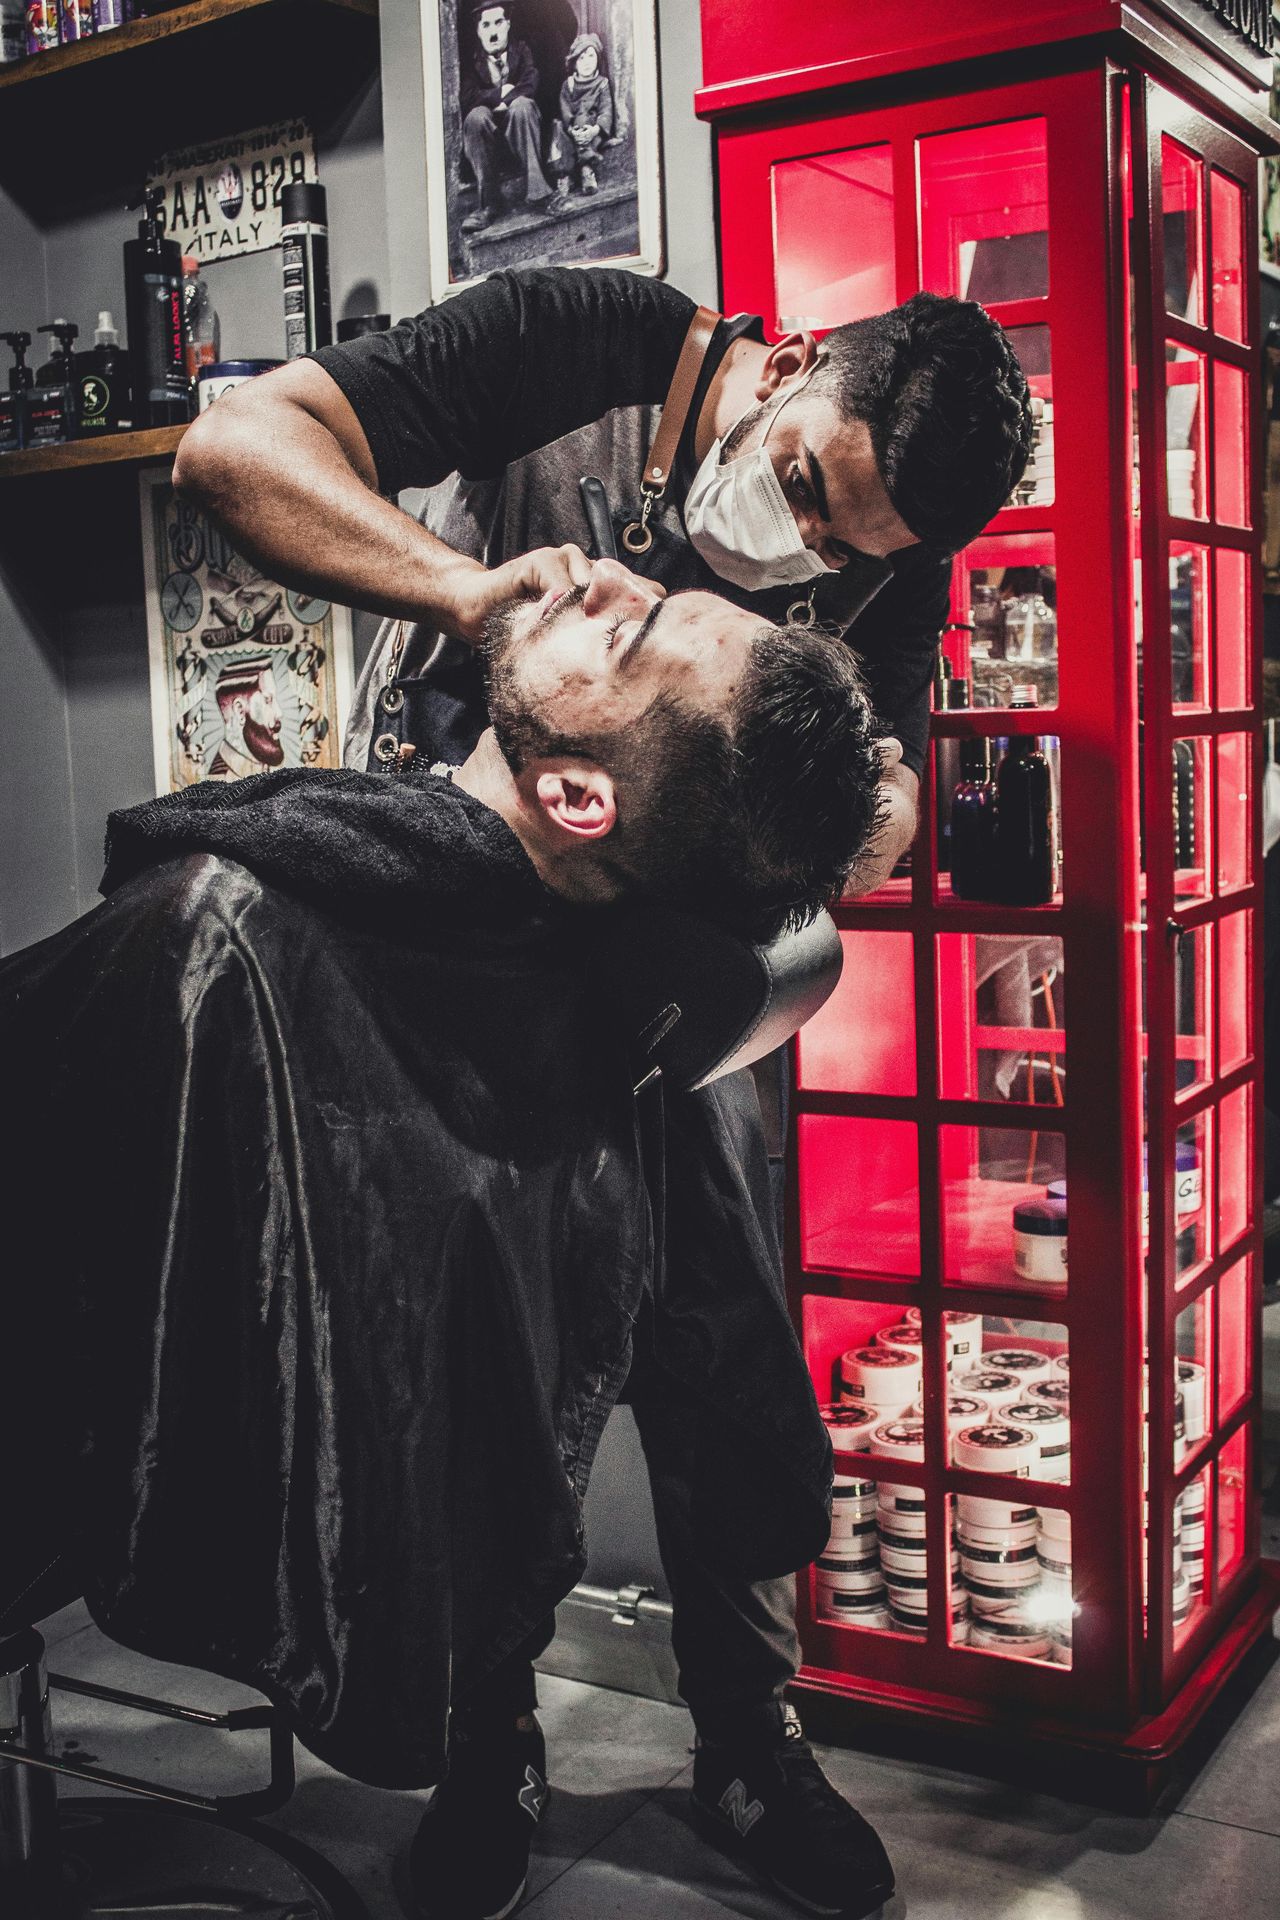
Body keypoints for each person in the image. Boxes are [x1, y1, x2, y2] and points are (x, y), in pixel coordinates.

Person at [174, 266, 1030, 1920]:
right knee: (481, 1355)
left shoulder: (893, 552)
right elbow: (232, 452)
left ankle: (752, 1739)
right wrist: (474, 598)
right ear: (790, 368)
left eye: (850, 547)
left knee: (721, 1349)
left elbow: (892, 809)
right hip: (464, 956)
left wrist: (807, 795)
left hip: (670, 989)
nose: (812, 551)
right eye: (803, 487)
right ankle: (488, 1735)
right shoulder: (584, 343)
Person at [0, 562, 884, 1818]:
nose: (599, 577)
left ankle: (718, 1736)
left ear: (577, 797)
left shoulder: (225, 923)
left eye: (628, 630)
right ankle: (494, 1735)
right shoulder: (271, 934)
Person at [460, 4, 556, 233]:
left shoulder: (521, 50)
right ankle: (488, 205)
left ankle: (540, 193)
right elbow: (468, 96)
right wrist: (499, 94)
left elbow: (530, 82)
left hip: (522, 132)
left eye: (498, 23)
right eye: (486, 25)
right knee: (475, 117)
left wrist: (508, 100)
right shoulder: (471, 60)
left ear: (508, 25)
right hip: (487, 140)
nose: (493, 32)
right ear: (478, 31)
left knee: (523, 105)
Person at [552, 31, 616, 199]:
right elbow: (565, 109)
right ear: (574, 63)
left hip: (591, 129)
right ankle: (565, 175)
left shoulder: (602, 84)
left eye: (591, 56)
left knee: (583, 119)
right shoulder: (569, 85)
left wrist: (595, 130)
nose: (587, 62)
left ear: (598, 59)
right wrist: (571, 129)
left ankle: (586, 169)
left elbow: (606, 110)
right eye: (581, 58)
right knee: (557, 127)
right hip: (572, 130)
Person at [205, 656, 285, 779]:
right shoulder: (220, 782)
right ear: (240, 711)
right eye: (267, 700)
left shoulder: (267, 771)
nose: (279, 712)